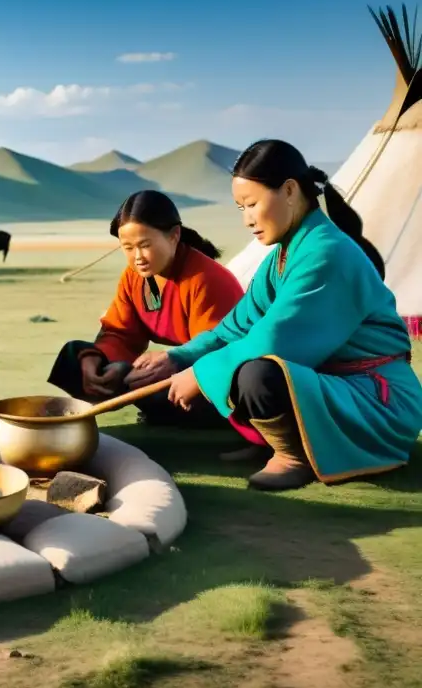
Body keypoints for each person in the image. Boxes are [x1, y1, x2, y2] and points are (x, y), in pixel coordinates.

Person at [159, 139, 422, 491]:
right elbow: (236, 328)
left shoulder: (328, 253)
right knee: (182, 383)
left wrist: (200, 373)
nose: (247, 220)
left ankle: (292, 455)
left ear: (288, 191)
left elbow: (275, 342)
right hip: (332, 385)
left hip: (376, 399)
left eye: (252, 204)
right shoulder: (281, 257)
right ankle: (281, 440)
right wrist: (176, 358)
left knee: (259, 373)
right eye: (240, 208)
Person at [48, 189, 245, 427]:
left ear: (174, 236)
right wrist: (97, 361)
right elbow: (121, 334)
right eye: (128, 247)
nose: (137, 257)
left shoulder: (207, 278)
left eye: (144, 245)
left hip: (218, 382)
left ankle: (177, 416)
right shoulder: (134, 277)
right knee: (76, 355)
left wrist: (174, 361)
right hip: (174, 374)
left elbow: (218, 347)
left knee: (145, 383)